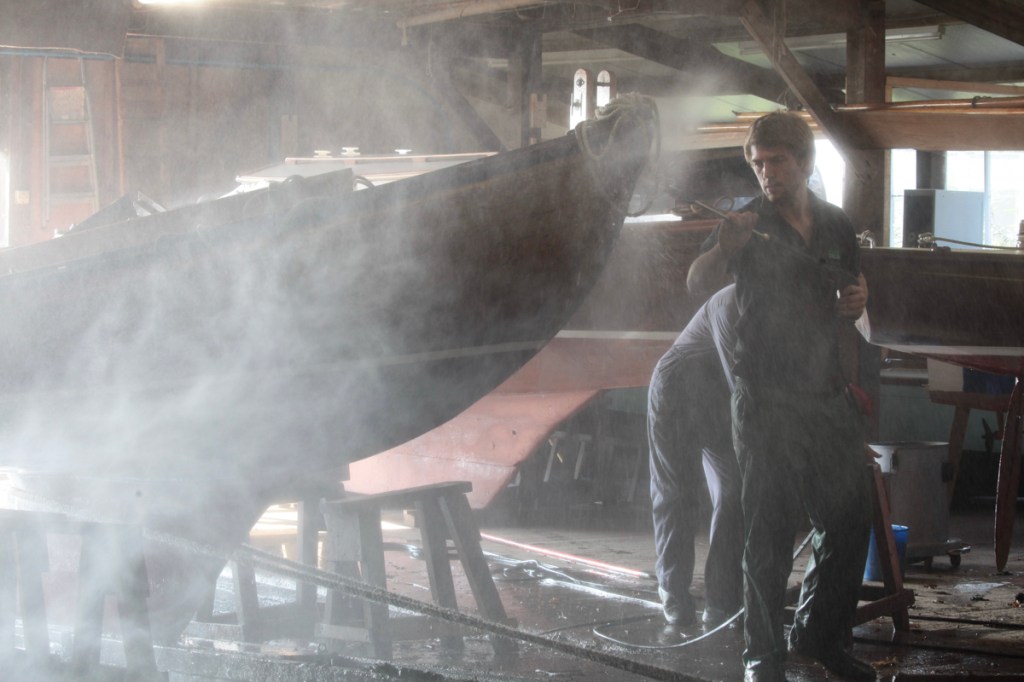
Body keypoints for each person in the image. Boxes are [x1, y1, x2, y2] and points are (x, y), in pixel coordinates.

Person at [687, 111, 874, 682]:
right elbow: (697, 282)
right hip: (765, 397)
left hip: (825, 392)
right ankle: (761, 658)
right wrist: (723, 248)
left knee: (849, 517)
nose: (766, 172)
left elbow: (851, 294)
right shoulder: (745, 225)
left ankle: (819, 636)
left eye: (776, 161)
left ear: (805, 162)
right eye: (757, 163)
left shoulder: (837, 225)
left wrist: (857, 299)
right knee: (768, 532)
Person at [648, 284, 743, 629]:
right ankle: (672, 591)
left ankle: (721, 600)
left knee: (734, 493)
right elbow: (742, 387)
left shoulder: (776, 311)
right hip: (676, 391)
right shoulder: (730, 304)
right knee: (677, 494)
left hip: (717, 404)